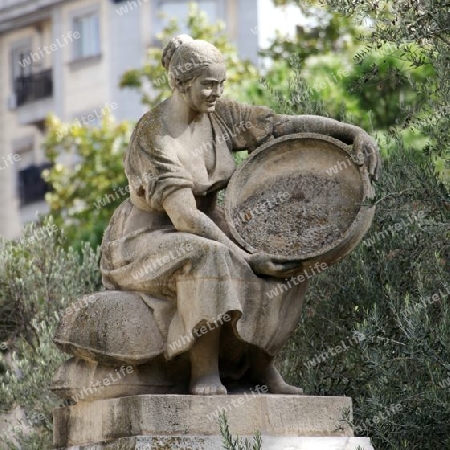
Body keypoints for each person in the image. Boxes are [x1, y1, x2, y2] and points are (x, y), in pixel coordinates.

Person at [100, 35, 381, 395]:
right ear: (181, 83)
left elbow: (278, 125)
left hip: (208, 222)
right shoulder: (154, 135)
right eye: (208, 85)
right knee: (212, 256)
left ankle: (261, 366)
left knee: (287, 254)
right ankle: (204, 371)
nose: (216, 92)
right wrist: (246, 257)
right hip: (146, 238)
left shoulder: (220, 116)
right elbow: (185, 217)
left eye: (221, 83)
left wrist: (350, 132)